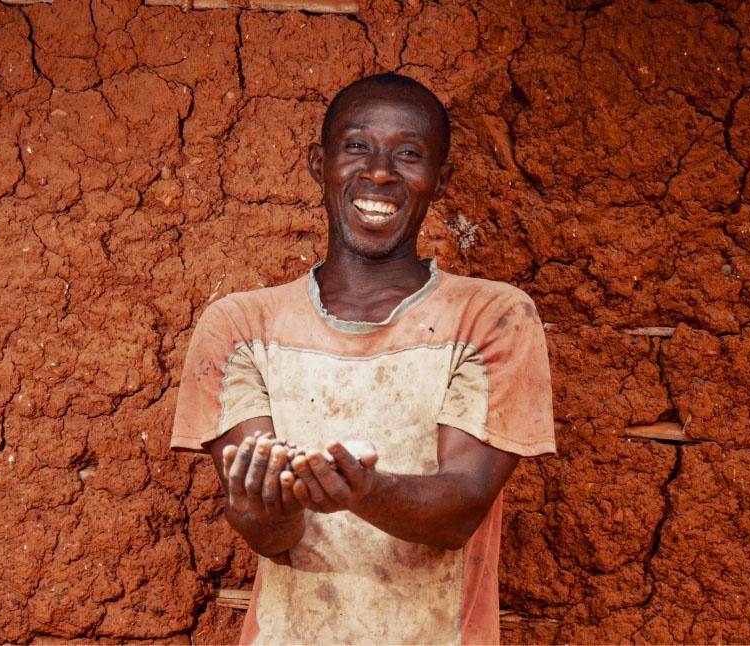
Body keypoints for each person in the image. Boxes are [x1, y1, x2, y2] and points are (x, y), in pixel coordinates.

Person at [169, 72, 556, 645]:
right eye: (356, 146)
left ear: (440, 181)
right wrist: (259, 509)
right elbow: (272, 538)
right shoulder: (241, 327)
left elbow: (459, 512)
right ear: (317, 164)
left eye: (408, 153)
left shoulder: (491, 316)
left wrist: (364, 492)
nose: (379, 172)